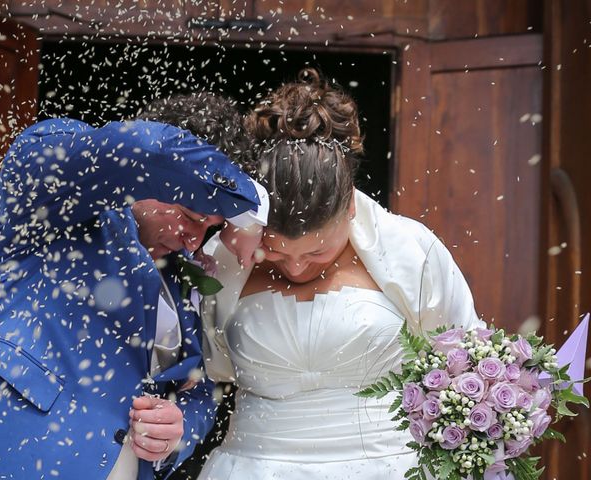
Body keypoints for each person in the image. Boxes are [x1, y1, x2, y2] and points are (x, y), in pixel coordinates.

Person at [0, 92, 268, 480]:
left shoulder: (187, 274)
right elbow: (143, 147)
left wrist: (177, 428)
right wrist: (252, 205)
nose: (194, 240)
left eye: (211, 227)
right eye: (189, 215)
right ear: (158, 178)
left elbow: (202, 389)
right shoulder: (53, 202)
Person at [199, 69, 485, 479]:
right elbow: (199, 369)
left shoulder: (411, 251)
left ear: (349, 206)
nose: (296, 267)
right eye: (277, 252)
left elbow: (466, 358)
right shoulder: (220, 260)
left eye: (317, 251)